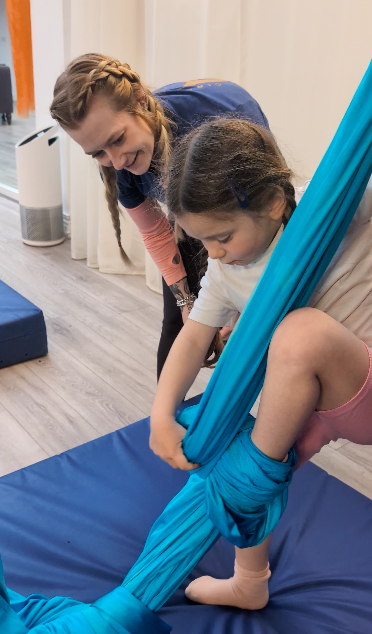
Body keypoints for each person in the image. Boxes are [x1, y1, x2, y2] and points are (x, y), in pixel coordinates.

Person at [149, 118, 372, 610]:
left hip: (363, 381)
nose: (213, 253)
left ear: (273, 202)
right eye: (200, 241)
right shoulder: (227, 273)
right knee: (231, 447)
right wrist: (161, 413)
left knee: (299, 333)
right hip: (311, 404)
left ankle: (250, 474)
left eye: (222, 236)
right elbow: (193, 338)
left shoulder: (331, 209)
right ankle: (249, 580)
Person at [50, 53, 269, 377]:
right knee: (178, 320)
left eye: (117, 139)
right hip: (194, 211)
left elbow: (251, 221)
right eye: (97, 152)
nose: (116, 159)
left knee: (256, 314)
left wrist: (239, 300)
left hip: (245, 201)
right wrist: (186, 302)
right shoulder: (117, 165)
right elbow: (155, 233)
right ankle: (162, 416)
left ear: (140, 102)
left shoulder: (209, 129)